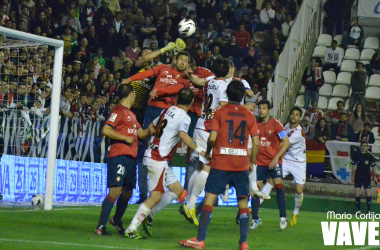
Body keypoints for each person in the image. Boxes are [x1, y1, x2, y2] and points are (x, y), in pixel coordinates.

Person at [178, 80, 260, 250]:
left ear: (227, 94)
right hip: (241, 164)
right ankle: (243, 243)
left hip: (221, 162)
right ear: (242, 95)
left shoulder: (220, 112)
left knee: (209, 198)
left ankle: (200, 239)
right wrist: (251, 162)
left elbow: (213, 138)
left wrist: (208, 151)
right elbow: (256, 143)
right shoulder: (249, 115)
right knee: (243, 202)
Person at [124, 87, 206, 239]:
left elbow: (152, 127)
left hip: (155, 155)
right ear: (192, 102)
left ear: (176, 99)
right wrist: (199, 150)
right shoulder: (184, 117)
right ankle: (132, 228)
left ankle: (150, 216)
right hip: (158, 159)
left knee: (178, 191)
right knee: (155, 197)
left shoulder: (166, 111)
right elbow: (182, 134)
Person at [94, 84, 152, 236]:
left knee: (127, 192)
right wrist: (124, 138)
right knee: (116, 190)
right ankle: (100, 227)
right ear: (131, 95)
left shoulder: (132, 115)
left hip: (131, 158)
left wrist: (151, 129)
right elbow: (106, 129)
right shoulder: (118, 111)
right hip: (118, 155)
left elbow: (141, 133)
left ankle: (116, 220)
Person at [250, 99, 290, 230]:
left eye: (264, 108)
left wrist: (276, 158)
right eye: (259, 108)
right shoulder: (254, 123)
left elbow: (286, 142)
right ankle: (256, 219)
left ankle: (283, 217)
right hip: (259, 162)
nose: (261, 110)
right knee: (255, 190)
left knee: (278, 185)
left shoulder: (276, 124)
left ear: (269, 110)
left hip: (274, 162)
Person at [282, 107, 306, 226]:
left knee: (299, 190)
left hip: (299, 162)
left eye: (297, 115)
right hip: (286, 159)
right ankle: (254, 208)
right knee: (272, 180)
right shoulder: (286, 126)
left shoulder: (297, 132)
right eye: (293, 114)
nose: (294, 116)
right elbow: (280, 134)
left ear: (299, 118)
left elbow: (284, 143)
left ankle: (295, 213)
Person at [351, 141, 377, 214]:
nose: (364, 147)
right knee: (357, 192)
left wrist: (375, 176)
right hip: (358, 176)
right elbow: (353, 166)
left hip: (366, 176)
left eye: (365, 146)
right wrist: (352, 176)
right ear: (360, 146)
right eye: (362, 145)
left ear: (367, 147)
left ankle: (368, 211)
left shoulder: (369, 156)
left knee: (368, 192)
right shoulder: (356, 155)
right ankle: (358, 210)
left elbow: (373, 166)